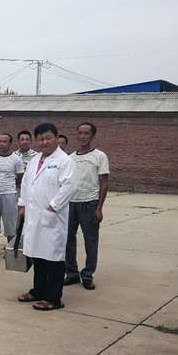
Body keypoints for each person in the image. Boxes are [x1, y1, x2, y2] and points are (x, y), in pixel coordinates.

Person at [17, 123, 76, 311]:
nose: (44, 142)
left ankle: (54, 298)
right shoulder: (35, 159)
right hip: (34, 216)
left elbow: (70, 186)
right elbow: (26, 183)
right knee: (37, 256)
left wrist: (53, 207)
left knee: (54, 259)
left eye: (48, 138)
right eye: (41, 139)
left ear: (57, 138)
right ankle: (38, 290)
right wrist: (22, 205)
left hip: (53, 217)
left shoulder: (64, 161)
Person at [64, 122, 110, 290]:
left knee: (90, 241)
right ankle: (72, 273)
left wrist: (99, 208)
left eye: (86, 133)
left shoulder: (100, 156)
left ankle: (88, 275)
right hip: (71, 204)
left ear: (92, 136)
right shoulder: (71, 158)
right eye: (80, 133)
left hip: (90, 204)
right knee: (68, 240)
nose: (83, 136)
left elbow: (104, 183)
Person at [0, 133, 24, 255]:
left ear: (10, 143)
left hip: (9, 194)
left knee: (10, 224)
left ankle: (10, 250)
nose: (1, 144)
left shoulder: (16, 159)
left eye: (4, 141)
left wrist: (13, 190)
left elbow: (20, 178)